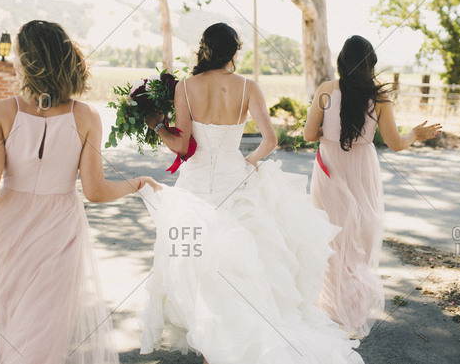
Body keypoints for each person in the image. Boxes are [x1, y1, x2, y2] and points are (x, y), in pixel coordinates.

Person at [0, 20, 159, 363]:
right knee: (45, 329)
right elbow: (94, 191)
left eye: (18, 55)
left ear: (29, 61)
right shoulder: (87, 116)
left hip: (8, 228)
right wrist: (136, 183)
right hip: (60, 226)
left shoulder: (0, 112)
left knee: (17, 326)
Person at [140, 22, 364, 364]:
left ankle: (210, 337)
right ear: (234, 52)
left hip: (196, 184)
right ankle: (240, 339)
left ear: (204, 48)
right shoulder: (248, 87)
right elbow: (270, 141)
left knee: (197, 259)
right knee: (244, 264)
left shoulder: (186, 87)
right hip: (236, 181)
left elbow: (182, 145)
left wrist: (155, 123)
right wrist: (247, 161)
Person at [303, 34, 442, 338]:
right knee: (359, 245)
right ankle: (351, 316)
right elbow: (395, 143)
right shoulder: (380, 99)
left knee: (331, 241)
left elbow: (307, 135)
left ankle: (328, 310)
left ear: (342, 62)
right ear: (370, 66)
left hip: (328, 173)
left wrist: (328, 128)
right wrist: (415, 134)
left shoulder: (326, 91)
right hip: (362, 173)